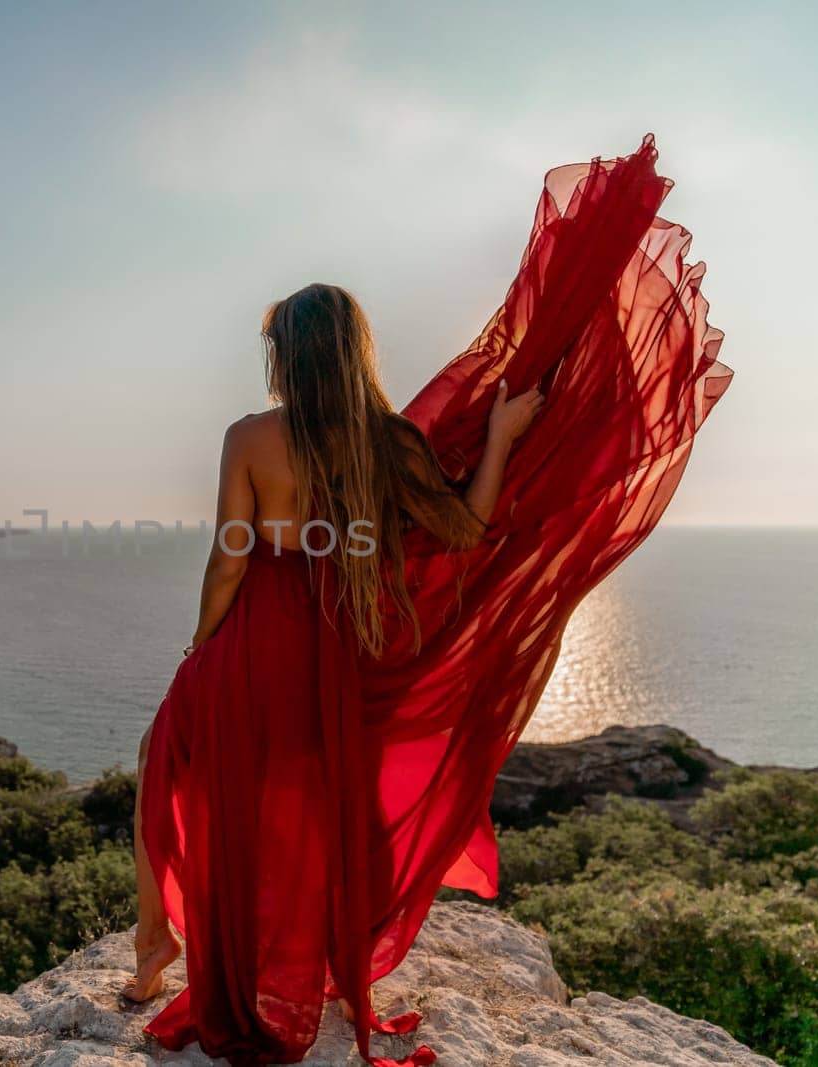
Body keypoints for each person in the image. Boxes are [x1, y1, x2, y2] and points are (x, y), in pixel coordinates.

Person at [127, 136, 731, 1067]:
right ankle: (291, 959)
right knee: (310, 800)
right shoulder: (394, 441)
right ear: (353, 351)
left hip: (250, 637)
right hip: (334, 647)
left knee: (175, 760)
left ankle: (156, 947)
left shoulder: (249, 436)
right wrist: (496, 439)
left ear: (287, 360)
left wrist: (197, 649)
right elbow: (464, 532)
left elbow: (229, 560)